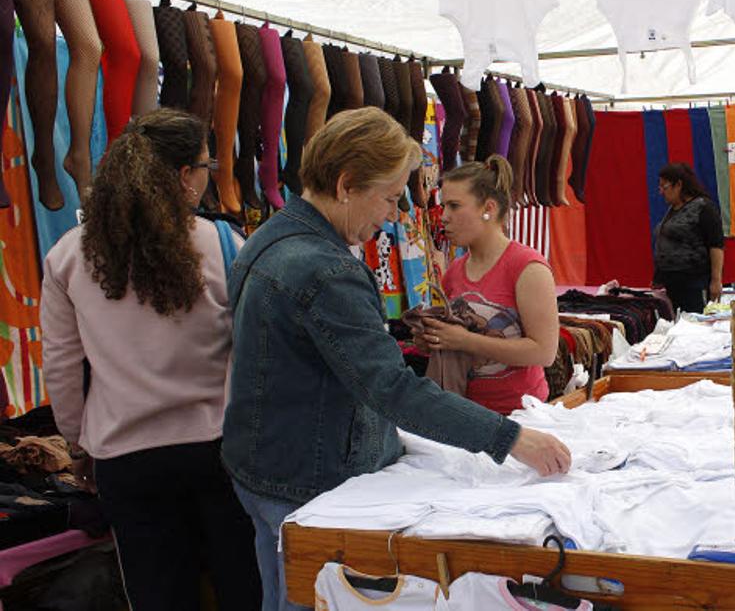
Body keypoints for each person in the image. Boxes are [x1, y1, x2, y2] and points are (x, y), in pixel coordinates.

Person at [222, 108, 570, 611]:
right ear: (345, 185)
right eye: (388, 197)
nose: (391, 214)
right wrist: (508, 438)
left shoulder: (270, 237)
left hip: (265, 463)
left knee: (281, 592)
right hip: (305, 479)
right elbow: (392, 388)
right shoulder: (325, 267)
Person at [41, 109, 262, 610]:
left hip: (125, 456)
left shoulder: (69, 255)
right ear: (186, 176)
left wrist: (79, 444)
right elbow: (253, 350)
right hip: (220, 450)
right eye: (207, 165)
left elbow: (61, 363)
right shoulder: (225, 244)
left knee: (158, 597)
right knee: (246, 591)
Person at [420, 155, 559, 414]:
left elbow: (543, 352)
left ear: (489, 208)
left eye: (454, 206)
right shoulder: (454, 271)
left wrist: (464, 341)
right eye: (444, 206)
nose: (444, 217)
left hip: (521, 417)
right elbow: (454, 344)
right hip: (468, 415)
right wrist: (433, 339)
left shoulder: (528, 268)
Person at [653, 162, 725, 314]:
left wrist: (716, 280)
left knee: (694, 324)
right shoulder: (672, 210)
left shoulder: (703, 208)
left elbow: (716, 245)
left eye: (664, 186)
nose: (661, 191)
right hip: (671, 282)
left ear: (678, 185)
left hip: (693, 282)